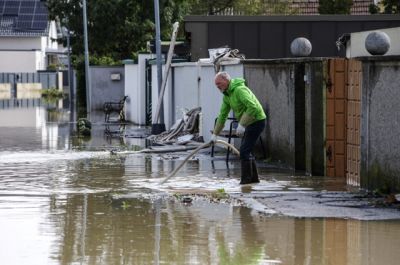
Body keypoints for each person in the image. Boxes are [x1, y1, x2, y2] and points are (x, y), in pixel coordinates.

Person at [211, 71, 266, 184]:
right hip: (248, 123)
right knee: (247, 151)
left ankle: (246, 182)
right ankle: (254, 180)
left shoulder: (239, 90)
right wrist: (215, 134)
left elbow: (253, 107)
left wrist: (242, 124)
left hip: (257, 120)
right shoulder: (227, 96)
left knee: (244, 151)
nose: (217, 87)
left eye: (219, 84)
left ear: (226, 80)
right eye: (216, 85)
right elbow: (222, 116)